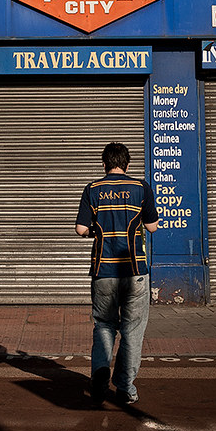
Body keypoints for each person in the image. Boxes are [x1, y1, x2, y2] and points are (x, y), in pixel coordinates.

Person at [75, 141, 159, 406]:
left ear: (104, 164)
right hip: (135, 270)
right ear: (127, 164)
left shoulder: (93, 189)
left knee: (104, 324)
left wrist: (94, 231)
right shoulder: (141, 188)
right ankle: (124, 388)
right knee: (133, 330)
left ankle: (101, 371)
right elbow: (153, 226)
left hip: (104, 270)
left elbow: (80, 229)